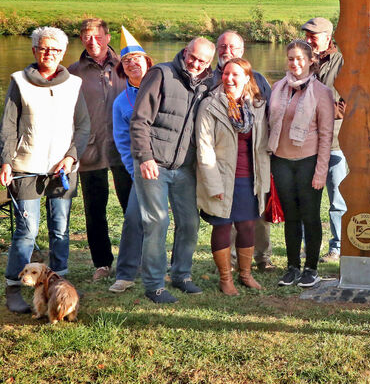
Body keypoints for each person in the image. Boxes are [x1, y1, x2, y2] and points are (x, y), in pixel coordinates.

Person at [2, 26, 90, 314]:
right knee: (26, 232)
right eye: (43, 48)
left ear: (63, 53)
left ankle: (57, 282)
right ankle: (14, 288)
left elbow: (83, 127)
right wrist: (5, 160)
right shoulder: (19, 81)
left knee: (61, 229)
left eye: (55, 49)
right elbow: (8, 126)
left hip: (61, 170)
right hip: (26, 167)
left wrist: (71, 156)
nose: (49, 53)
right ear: (34, 50)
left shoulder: (74, 84)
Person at [131, 36, 216, 304]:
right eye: (192, 56)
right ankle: (154, 285)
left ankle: (181, 275)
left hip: (186, 167)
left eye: (202, 60)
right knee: (157, 222)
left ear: (209, 63)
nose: (195, 63)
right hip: (154, 162)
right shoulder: (161, 74)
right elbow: (139, 120)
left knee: (190, 223)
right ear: (185, 51)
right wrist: (144, 157)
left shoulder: (209, 84)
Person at [196, 58, 270, 296]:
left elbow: (264, 146)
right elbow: (204, 147)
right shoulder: (210, 106)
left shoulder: (257, 107)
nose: (229, 79)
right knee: (222, 227)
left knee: (248, 226)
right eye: (226, 74)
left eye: (235, 75)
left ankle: (246, 275)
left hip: (250, 178)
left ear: (247, 78)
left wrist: (265, 179)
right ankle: (225, 278)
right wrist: (213, 183)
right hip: (221, 177)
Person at [67, 18, 133, 282]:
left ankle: (132, 261)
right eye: (86, 37)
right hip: (90, 149)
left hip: (123, 149)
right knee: (95, 209)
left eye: (97, 36)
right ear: (81, 39)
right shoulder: (72, 72)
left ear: (107, 37)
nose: (92, 42)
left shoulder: (126, 65)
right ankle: (102, 263)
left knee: (131, 207)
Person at [268, 40, 334, 288]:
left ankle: (311, 268)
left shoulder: (321, 92)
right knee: (291, 216)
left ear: (310, 61)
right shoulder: (277, 88)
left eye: (299, 58)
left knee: (310, 215)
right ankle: (292, 266)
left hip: (308, 161)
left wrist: (320, 171)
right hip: (281, 160)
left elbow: (326, 136)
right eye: (290, 58)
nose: (294, 63)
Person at [213, 30, 274, 273]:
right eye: (222, 46)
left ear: (242, 51)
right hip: (222, 161)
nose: (227, 51)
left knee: (257, 213)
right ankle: (228, 263)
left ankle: (262, 257)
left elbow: (269, 115)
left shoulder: (258, 80)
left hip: (254, 158)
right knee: (226, 215)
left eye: (232, 47)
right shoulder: (210, 79)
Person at [108, 28, 154, 294]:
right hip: (142, 169)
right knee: (134, 218)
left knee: (180, 219)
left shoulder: (165, 88)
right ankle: (126, 273)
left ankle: (174, 268)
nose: (132, 63)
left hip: (173, 165)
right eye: (126, 61)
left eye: (137, 58)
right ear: (122, 69)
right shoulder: (120, 103)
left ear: (148, 62)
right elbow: (123, 143)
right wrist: (134, 170)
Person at [302, 17, 348, 264]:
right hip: (303, 144)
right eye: (307, 35)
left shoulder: (342, 62)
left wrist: (313, 108)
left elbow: (346, 105)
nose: (309, 40)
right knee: (306, 199)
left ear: (328, 37)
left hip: (335, 143)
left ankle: (337, 247)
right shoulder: (300, 61)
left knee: (337, 199)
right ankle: (307, 246)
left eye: (314, 35)